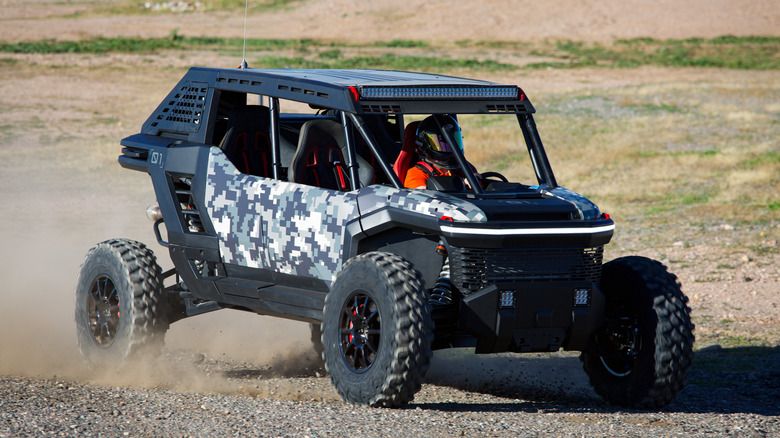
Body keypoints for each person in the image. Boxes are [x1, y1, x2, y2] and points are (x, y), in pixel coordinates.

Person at [403, 115, 473, 189]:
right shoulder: (416, 173)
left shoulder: (463, 167)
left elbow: (482, 187)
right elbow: (423, 197)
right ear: (423, 147)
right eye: (441, 144)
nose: (449, 148)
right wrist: (462, 184)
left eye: (453, 142)